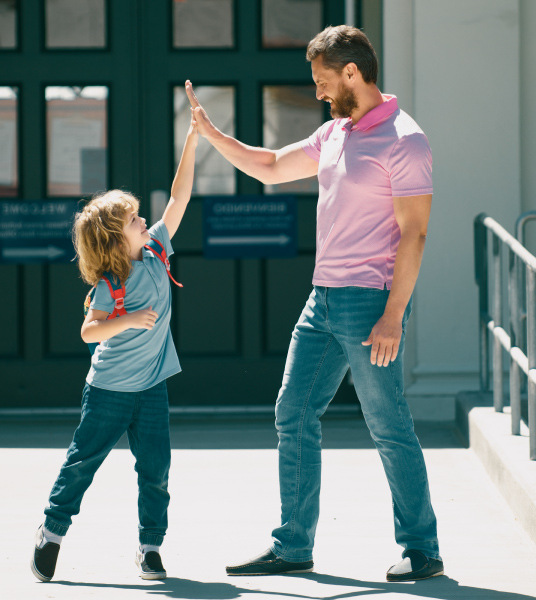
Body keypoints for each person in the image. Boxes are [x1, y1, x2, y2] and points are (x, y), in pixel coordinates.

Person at [186, 25, 443, 582]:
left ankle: (423, 546)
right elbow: (272, 165)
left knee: (387, 423)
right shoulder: (335, 134)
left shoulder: (404, 139)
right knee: (293, 413)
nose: (320, 93)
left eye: (324, 81)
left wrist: (394, 314)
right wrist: (210, 134)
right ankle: (293, 545)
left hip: (370, 304)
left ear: (353, 72)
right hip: (321, 300)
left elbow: (415, 233)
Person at [30, 100, 198, 583]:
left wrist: (192, 138)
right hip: (107, 392)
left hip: (152, 390)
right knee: (82, 463)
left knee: (156, 473)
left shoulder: (157, 251)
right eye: (134, 221)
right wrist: (128, 320)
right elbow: (89, 331)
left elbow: (180, 197)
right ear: (114, 241)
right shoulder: (109, 286)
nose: (145, 222)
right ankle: (52, 532)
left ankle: (150, 548)